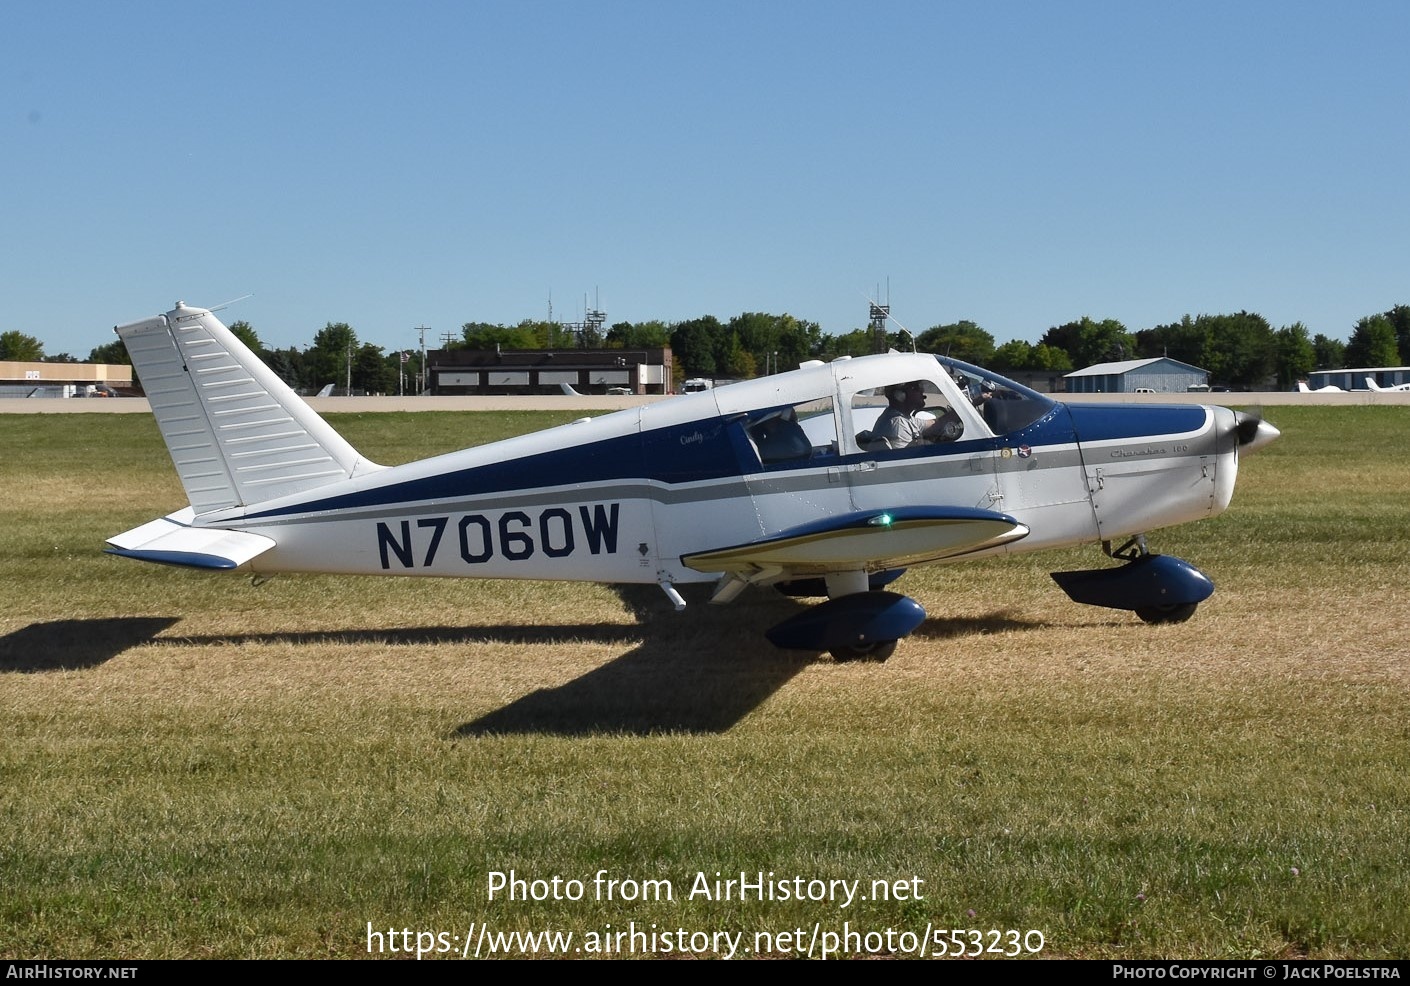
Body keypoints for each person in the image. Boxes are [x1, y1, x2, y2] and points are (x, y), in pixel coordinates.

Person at [872, 381, 962, 449]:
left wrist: (969, 405)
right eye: (915, 387)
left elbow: (937, 424)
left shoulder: (904, 418)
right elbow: (904, 463)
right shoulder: (898, 424)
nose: (922, 390)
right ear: (900, 395)